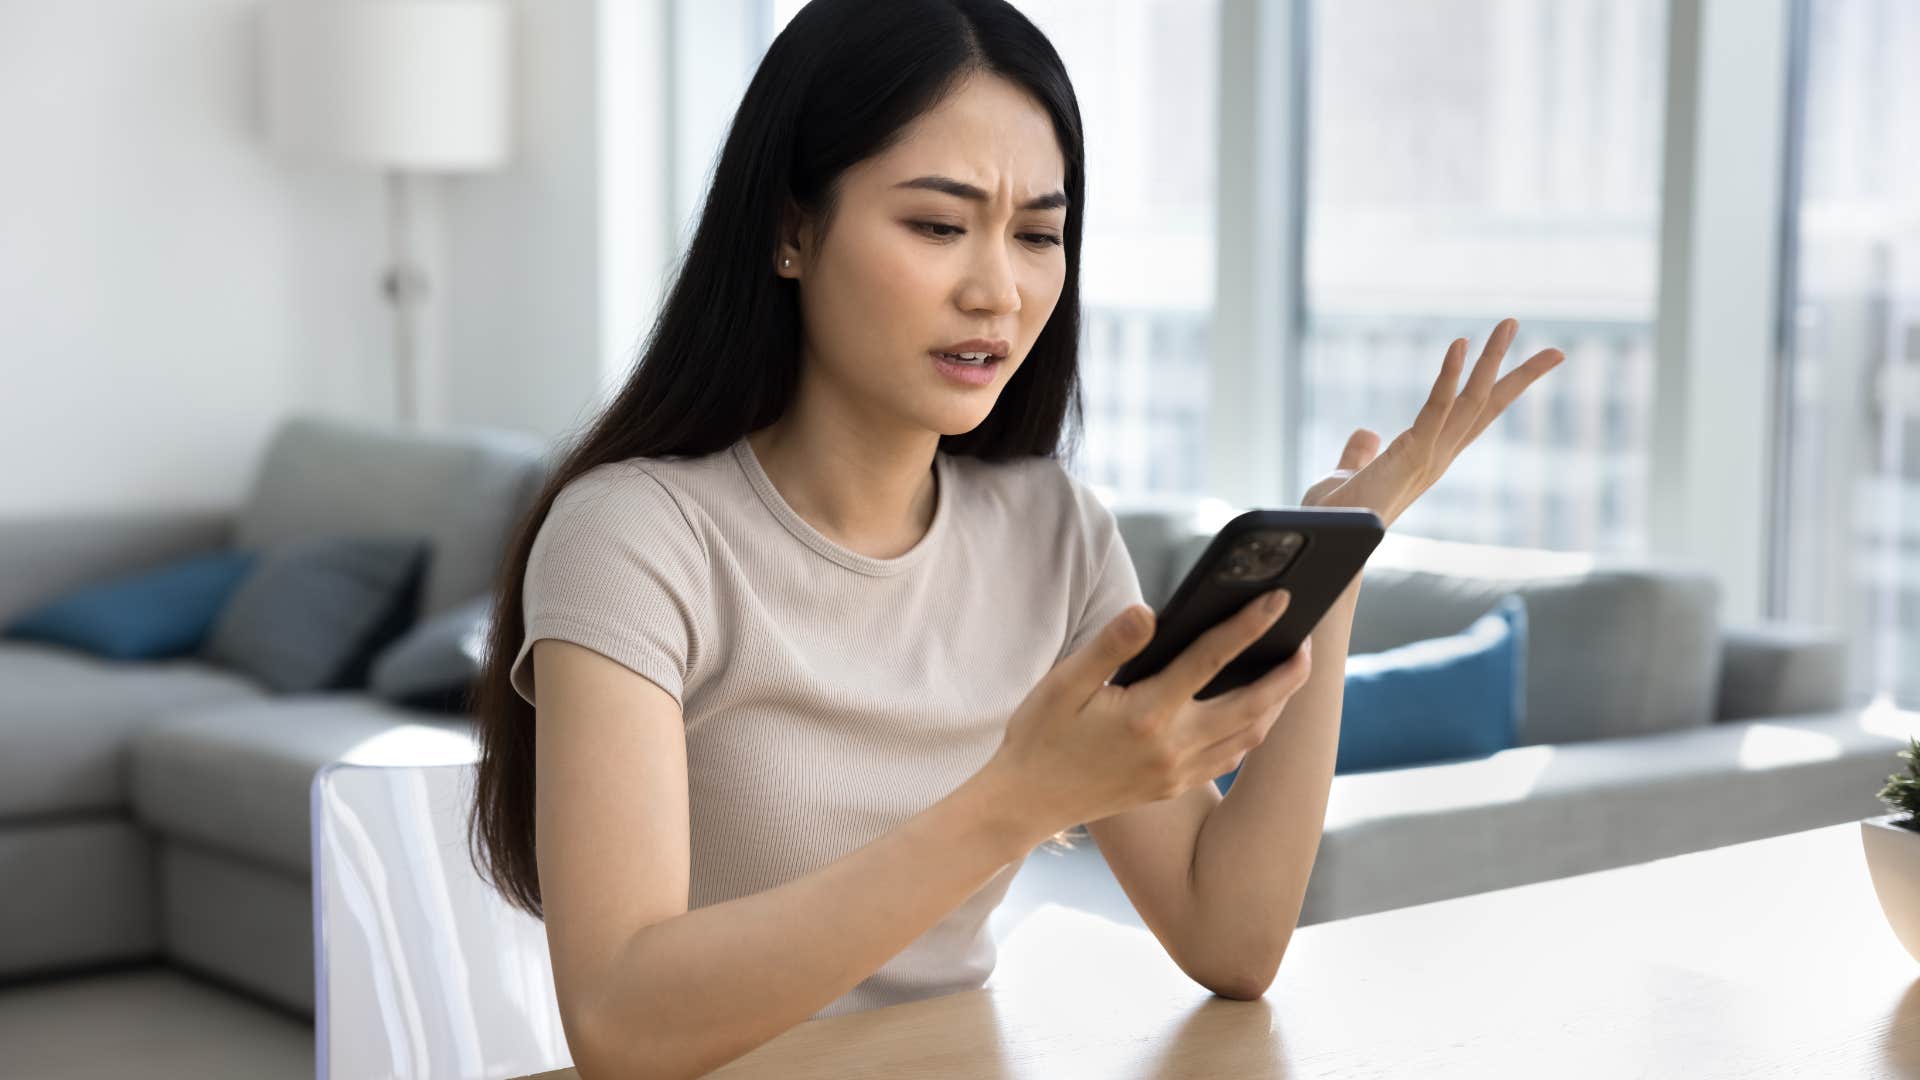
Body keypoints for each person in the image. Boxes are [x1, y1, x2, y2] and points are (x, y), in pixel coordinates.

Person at [468, 1, 1566, 1076]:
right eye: (938, 226)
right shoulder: (634, 539)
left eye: (1039, 234)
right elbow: (620, 1024)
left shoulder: (1053, 535)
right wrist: (1020, 800)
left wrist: (1339, 558)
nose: (998, 289)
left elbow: (1231, 940)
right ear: (792, 229)